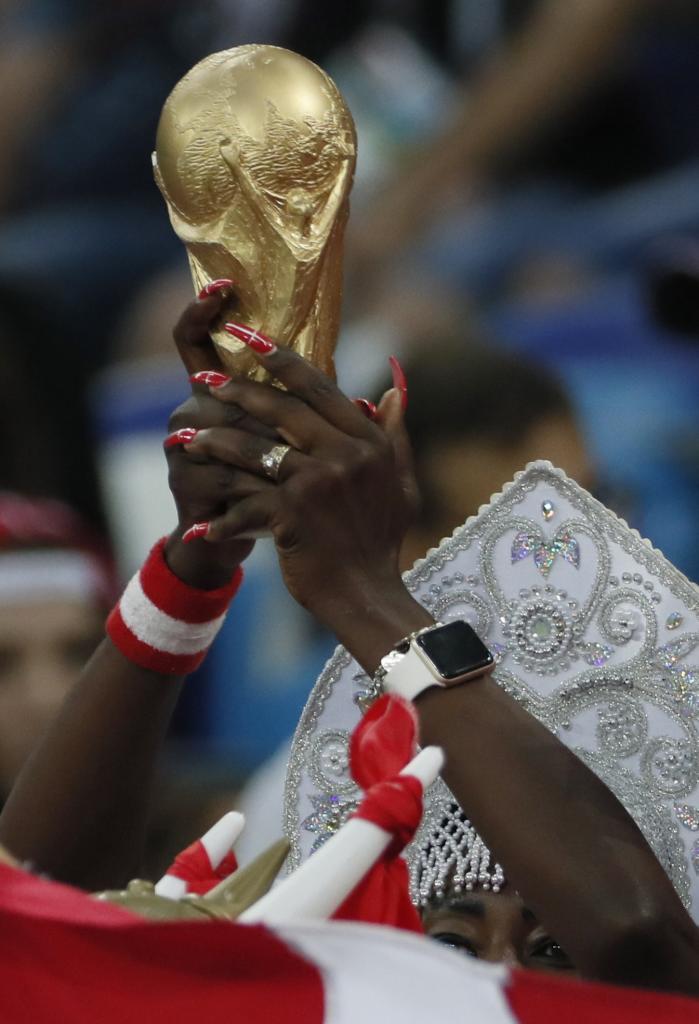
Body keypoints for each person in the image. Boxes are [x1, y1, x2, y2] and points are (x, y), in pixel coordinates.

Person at [1, 291, 698, 995]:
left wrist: (364, 593)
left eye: (590, 508)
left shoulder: (673, 744)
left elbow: (640, 945)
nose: (561, 563)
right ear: (401, 533)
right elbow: (39, 931)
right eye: (491, 536)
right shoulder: (326, 781)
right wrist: (191, 570)